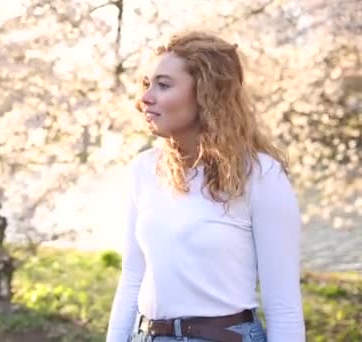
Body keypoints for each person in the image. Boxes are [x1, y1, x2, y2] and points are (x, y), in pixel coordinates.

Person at [106, 31, 305, 342]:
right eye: (146, 84)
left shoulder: (260, 174)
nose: (144, 98)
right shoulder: (143, 169)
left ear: (206, 93)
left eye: (163, 85)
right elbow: (133, 277)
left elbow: (283, 306)